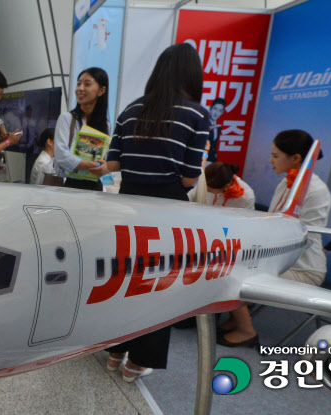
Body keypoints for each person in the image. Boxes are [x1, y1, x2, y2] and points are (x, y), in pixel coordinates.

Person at [100, 43, 209, 382]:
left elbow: (111, 164)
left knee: (126, 278)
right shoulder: (198, 115)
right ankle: (137, 363)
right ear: (192, 74)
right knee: (161, 284)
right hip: (168, 208)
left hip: (128, 204)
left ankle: (115, 352)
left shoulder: (130, 110)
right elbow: (191, 176)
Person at [217, 130, 331, 347]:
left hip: (302, 267)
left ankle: (246, 330)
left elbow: (305, 236)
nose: (270, 160)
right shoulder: (288, 182)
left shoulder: (315, 190)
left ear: (296, 158)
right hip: (280, 258)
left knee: (234, 271)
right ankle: (235, 318)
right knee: (230, 262)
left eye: (276, 155)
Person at [53, 67, 110, 191]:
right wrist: (91, 165)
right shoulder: (67, 118)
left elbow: (102, 157)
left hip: (95, 187)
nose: (80, 88)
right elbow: (61, 156)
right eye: (78, 84)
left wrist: (104, 166)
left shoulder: (105, 124)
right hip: (72, 186)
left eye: (87, 84)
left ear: (101, 90)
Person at [188, 162, 255, 209]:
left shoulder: (246, 198)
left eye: (209, 190)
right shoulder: (208, 179)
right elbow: (190, 197)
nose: (205, 189)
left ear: (226, 186)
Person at [207, 98, 226, 163]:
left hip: (212, 160)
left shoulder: (218, 127)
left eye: (220, 110)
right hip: (201, 159)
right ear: (210, 108)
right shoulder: (203, 123)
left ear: (222, 112)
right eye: (215, 109)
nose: (216, 113)